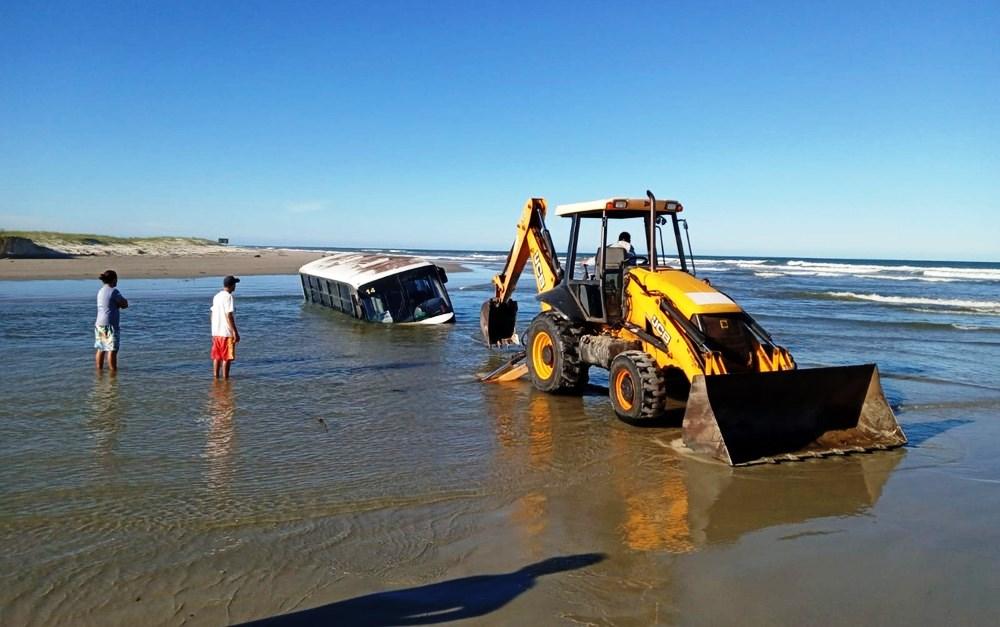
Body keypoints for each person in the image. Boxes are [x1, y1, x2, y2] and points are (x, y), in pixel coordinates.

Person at [94, 270, 129, 371]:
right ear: (114, 279)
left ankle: (99, 370)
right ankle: (113, 371)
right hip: (111, 324)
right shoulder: (114, 291)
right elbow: (124, 304)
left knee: (101, 349)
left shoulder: (100, 291)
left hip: (99, 323)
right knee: (112, 350)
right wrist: (121, 304)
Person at [211, 275, 241, 379]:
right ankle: (225, 380)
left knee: (217, 357)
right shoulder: (229, 297)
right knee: (226, 358)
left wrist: (213, 328)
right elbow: (229, 315)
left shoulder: (217, 296)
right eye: (235, 284)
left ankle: (215, 379)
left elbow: (212, 313)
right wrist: (235, 332)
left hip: (216, 332)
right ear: (231, 285)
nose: (235, 287)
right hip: (226, 333)